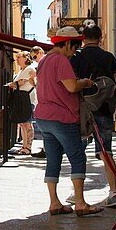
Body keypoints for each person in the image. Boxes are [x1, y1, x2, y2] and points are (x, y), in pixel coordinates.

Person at [33, 26, 102, 216]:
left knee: (53, 159)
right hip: (62, 117)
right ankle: (80, 203)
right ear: (68, 44)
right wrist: (85, 83)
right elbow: (71, 87)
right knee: (77, 156)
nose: (74, 53)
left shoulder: (44, 60)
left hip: (44, 117)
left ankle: (54, 202)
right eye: (74, 47)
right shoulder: (61, 60)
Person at [72, 22, 116, 207]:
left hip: (82, 109)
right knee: (106, 151)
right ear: (100, 38)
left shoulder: (77, 57)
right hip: (104, 109)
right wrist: (115, 103)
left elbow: (72, 84)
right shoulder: (108, 57)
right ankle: (113, 192)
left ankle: (78, 195)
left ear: (83, 39)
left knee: (78, 151)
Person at [6, 52, 34, 153]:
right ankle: (24, 146)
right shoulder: (20, 71)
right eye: (16, 57)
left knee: (27, 123)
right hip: (20, 98)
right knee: (22, 123)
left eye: (19, 57)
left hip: (27, 98)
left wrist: (13, 84)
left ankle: (28, 147)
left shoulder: (29, 69)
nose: (17, 59)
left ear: (26, 58)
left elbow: (24, 82)